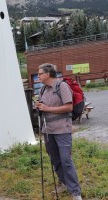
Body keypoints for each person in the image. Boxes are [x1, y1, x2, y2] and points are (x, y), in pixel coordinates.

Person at [35, 63, 82, 200]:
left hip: (62, 129)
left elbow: (69, 107)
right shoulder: (43, 89)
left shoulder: (62, 86)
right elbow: (44, 107)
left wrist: (47, 108)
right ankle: (64, 183)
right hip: (48, 130)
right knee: (55, 159)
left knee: (66, 160)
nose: (38, 76)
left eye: (40, 73)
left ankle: (75, 192)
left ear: (48, 74)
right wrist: (39, 106)